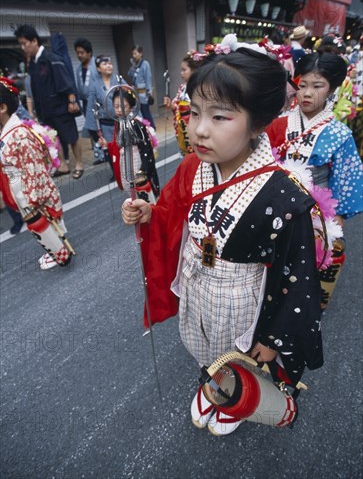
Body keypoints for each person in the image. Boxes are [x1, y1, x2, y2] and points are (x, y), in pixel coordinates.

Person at [122, 39, 324, 436]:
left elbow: (296, 276)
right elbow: (172, 213)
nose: (199, 129)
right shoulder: (192, 167)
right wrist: (150, 213)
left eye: (220, 117)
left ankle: (234, 397)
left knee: (237, 352)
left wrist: (273, 337)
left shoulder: (284, 196)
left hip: (241, 296)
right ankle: (213, 384)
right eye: (196, 112)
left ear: (259, 124)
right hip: (196, 280)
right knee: (201, 343)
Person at [266, 52, 362, 309]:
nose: (307, 93)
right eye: (303, 85)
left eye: (317, 86)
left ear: (332, 89)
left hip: (315, 211)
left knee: (308, 260)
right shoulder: (280, 124)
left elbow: (344, 181)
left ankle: (301, 307)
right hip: (278, 202)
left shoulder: (339, 134)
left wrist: (335, 224)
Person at [0, 77, 74, 270]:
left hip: (27, 183)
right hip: (18, 183)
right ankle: (53, 249)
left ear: (3, 108)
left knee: (41, 218)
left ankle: (59, 252)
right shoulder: (9, 131)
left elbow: (34, 166)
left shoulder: (19, 133)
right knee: (34, 222)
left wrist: (34, 195)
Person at [14, 24, 84, 180]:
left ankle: (79, 164)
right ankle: (63, 166)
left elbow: (67, 82)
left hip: (61, 108)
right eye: (21, 44)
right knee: (53, 138)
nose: (23, 47)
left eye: (24, 43)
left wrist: (72, 100)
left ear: (34, 41)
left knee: (72, 137)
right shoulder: (32, 63)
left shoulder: (51, 58)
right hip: (46, 111)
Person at [100, 87, 159, 202]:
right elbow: (119, 146)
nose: (119, 110)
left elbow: (146, 149)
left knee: (142, 193)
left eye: (123, 106)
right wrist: (108, 145)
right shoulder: (118, 123)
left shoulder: (137, 124)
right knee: (130, 191)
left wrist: (144, 170)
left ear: (131, 106)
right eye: (116, 106)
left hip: (137, 161)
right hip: (124, 161)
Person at [85, 55, 119, 176]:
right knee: (110, 149)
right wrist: (94, 129)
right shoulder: (95, 86)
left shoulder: (119, 79)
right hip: (105, 124)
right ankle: (116, 172)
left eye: (110, 63)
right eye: (105, 64)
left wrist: (136, 116)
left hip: (120, 121)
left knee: (124, 146)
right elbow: (91, 107)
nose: (109, 66)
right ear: (98, 68)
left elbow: (130, 98)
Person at [163, 51, 200, 156]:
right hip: (183, 128)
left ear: (194, 70)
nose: (181, 73)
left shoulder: (200, 86)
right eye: (181, 70)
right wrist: (171, 104)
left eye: (184, 70)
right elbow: (176, 104)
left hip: (194, 126)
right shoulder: (183, 87)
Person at [127, 45, 155, 129]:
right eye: (133, 54)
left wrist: (149, 92)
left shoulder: (145, 64)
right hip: (135, 93)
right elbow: (129, 75)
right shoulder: (134, 65)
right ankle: (144, 128)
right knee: (139, 112)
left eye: (135, 53)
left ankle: (151, 128)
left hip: (143, 93)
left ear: (140, 53)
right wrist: (132, 67)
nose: (134, 56)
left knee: (145, 111)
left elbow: (148, 78)